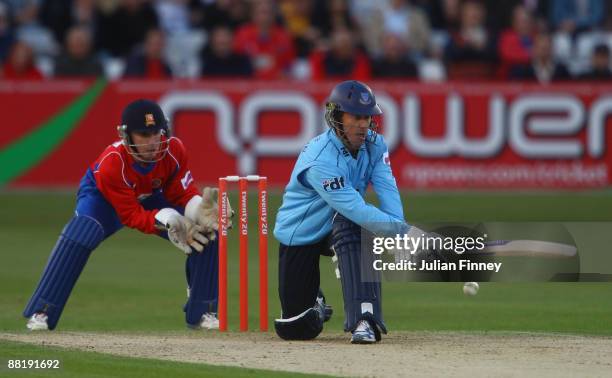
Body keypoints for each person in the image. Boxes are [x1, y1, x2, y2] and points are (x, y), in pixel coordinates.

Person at [24, 99, 228, 331]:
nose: (152, 142)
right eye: (143, 134)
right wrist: (169, 218)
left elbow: (180, 192)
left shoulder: (174, 150)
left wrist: (198, 208)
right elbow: (130, 215)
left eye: (155, 133)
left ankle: (202, 311)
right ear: (126, 135)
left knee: (207, 230)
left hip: (150, 193)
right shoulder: (112, 163)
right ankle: (43, 312)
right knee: (82, 233)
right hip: (103, 199)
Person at [273, 81, 408, 344]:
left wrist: (399, 229)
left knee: (354, 226)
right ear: (336, 117)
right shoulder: (321, 159)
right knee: (296, 328)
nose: (363, 124)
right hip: (301, 232)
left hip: (341, 223)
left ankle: (364, 320)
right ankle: (316, 301)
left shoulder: (375, 145)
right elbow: (355, 207)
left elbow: (387, 190)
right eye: (355, 116)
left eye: (367, 117)